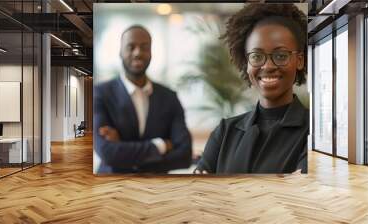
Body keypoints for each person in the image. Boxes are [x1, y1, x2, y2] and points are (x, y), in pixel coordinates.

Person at [195, 4, 308, 174]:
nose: (268, 66)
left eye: (281, 55)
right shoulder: (225, 132)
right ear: (246, 63)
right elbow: (200, 193)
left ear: (299, 60)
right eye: (256, 56)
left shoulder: (314, 133)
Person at [94, 25, 192, 173]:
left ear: (151, 53)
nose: (138, 53)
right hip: (112, 186)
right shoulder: (100, 94)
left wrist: (125, 155)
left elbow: (185, 155)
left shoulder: (169, 97)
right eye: (131, 47)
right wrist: (161, 146)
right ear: (120, 52)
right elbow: (107, 152)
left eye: (144, 47)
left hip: (156, 189)